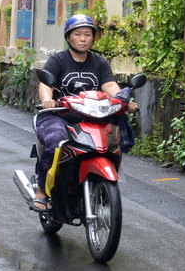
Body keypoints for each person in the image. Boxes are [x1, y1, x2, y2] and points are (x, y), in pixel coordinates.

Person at [32, 14, 138, 212]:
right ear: (68, 37)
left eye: (87, 34)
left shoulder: (99, 62)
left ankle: (98, 184)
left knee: (109, 145)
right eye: (78, 34)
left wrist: (125, 100)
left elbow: (109, 85)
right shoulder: (58, 60)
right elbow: (46, 83)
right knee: (56, 142)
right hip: (59, 115)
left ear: (93, 38)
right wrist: (47, 99)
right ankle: (42, 190)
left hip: (91, 117)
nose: (83, 38)